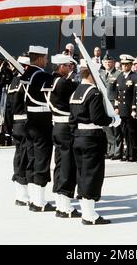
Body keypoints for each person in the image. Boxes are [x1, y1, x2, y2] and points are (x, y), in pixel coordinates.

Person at [69, 59, 119, 225]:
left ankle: (86, 212)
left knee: (82, 174)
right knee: (92, 175)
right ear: (91, 74)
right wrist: (113, 120)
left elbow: (71, 119)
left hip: (78, 136)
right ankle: (89, 215)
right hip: (92, 137)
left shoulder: (76, 91)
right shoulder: (94, 92)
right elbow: (98, 118)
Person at [42, 54, 80, 218]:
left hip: (56, 125)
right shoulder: (63, 83)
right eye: (69, 66)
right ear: (61, 66)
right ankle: (65, 207)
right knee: (67, 165)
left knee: (60, 164)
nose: (71, 68)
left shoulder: (48, 81)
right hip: (66, 126)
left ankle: (60, 204)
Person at [21, 45, 55, 212]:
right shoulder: (41, 75)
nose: (47, 61)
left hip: (30, 120)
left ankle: (34, 198)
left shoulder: (26, 73)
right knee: (42, 160)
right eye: (46, 58)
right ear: (40, 58)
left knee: (33, 159)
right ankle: (39, 202)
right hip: (42, 121)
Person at [5, 55, 31, 206]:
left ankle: (20, 194)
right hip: (26, 123)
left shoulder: (13, 82)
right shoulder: (26, 82)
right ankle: (23, 194)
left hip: (16, 124)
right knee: (25, 158)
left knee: (19, 156)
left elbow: (8, 108)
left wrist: (9, 128)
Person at [114, 54, 137, 162]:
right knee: (124, 133)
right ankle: (127, 153)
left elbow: (135, 94)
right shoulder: (120, 76)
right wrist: (116, 106)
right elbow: (117, 93)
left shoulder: (134, 77)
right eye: (123, 64)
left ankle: (132, 154)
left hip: (130, 109)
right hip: (122, 109)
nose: (124, 66)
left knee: (132, 133)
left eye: (126, 64)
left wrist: (134, 109)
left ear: (130, 65)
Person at [100, 53, 122, 160]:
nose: (107, 64)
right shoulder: (101, 74)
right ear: (102, 63)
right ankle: (110, 150)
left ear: (113, 63)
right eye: (105, 62)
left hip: (113, 104)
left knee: (116, 128)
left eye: (109, 62)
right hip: (103, 104)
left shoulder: (118, 74)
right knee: (107, 128)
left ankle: (117, 151)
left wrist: (117, 105)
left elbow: (119, 91)